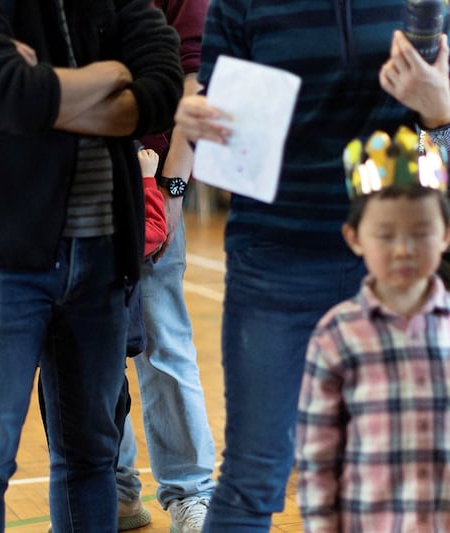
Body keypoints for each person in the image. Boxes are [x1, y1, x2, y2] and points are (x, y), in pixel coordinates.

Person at [173, 2, 450, 530]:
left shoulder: (423, 5)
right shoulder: (241, 4)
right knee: (255, 473)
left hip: (395, 270)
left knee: (405, 471)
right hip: (276, 259)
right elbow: (221, 125)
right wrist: (198, 120)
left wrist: (441, 113)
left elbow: (440, 160)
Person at [0, 0, 182, 530]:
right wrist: (112, 74)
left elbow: (163, 85)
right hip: (1, 254)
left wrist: (47, 91)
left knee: (90, 455)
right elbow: (5, 92)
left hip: (103, 252)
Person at [296, 127, 450, 532]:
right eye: (385, 235)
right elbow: (318, 456)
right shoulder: (336, 335)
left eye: (420, 232)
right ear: (354, 237)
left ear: (446, 235)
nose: (403, 248)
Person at [115, 1, 216, 531]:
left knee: (163, 343)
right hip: (70, 182)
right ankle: (115, 488)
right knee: (88, 349)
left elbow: (194, 83)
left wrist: (171, 188)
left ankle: (189, 492)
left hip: (151, 182)